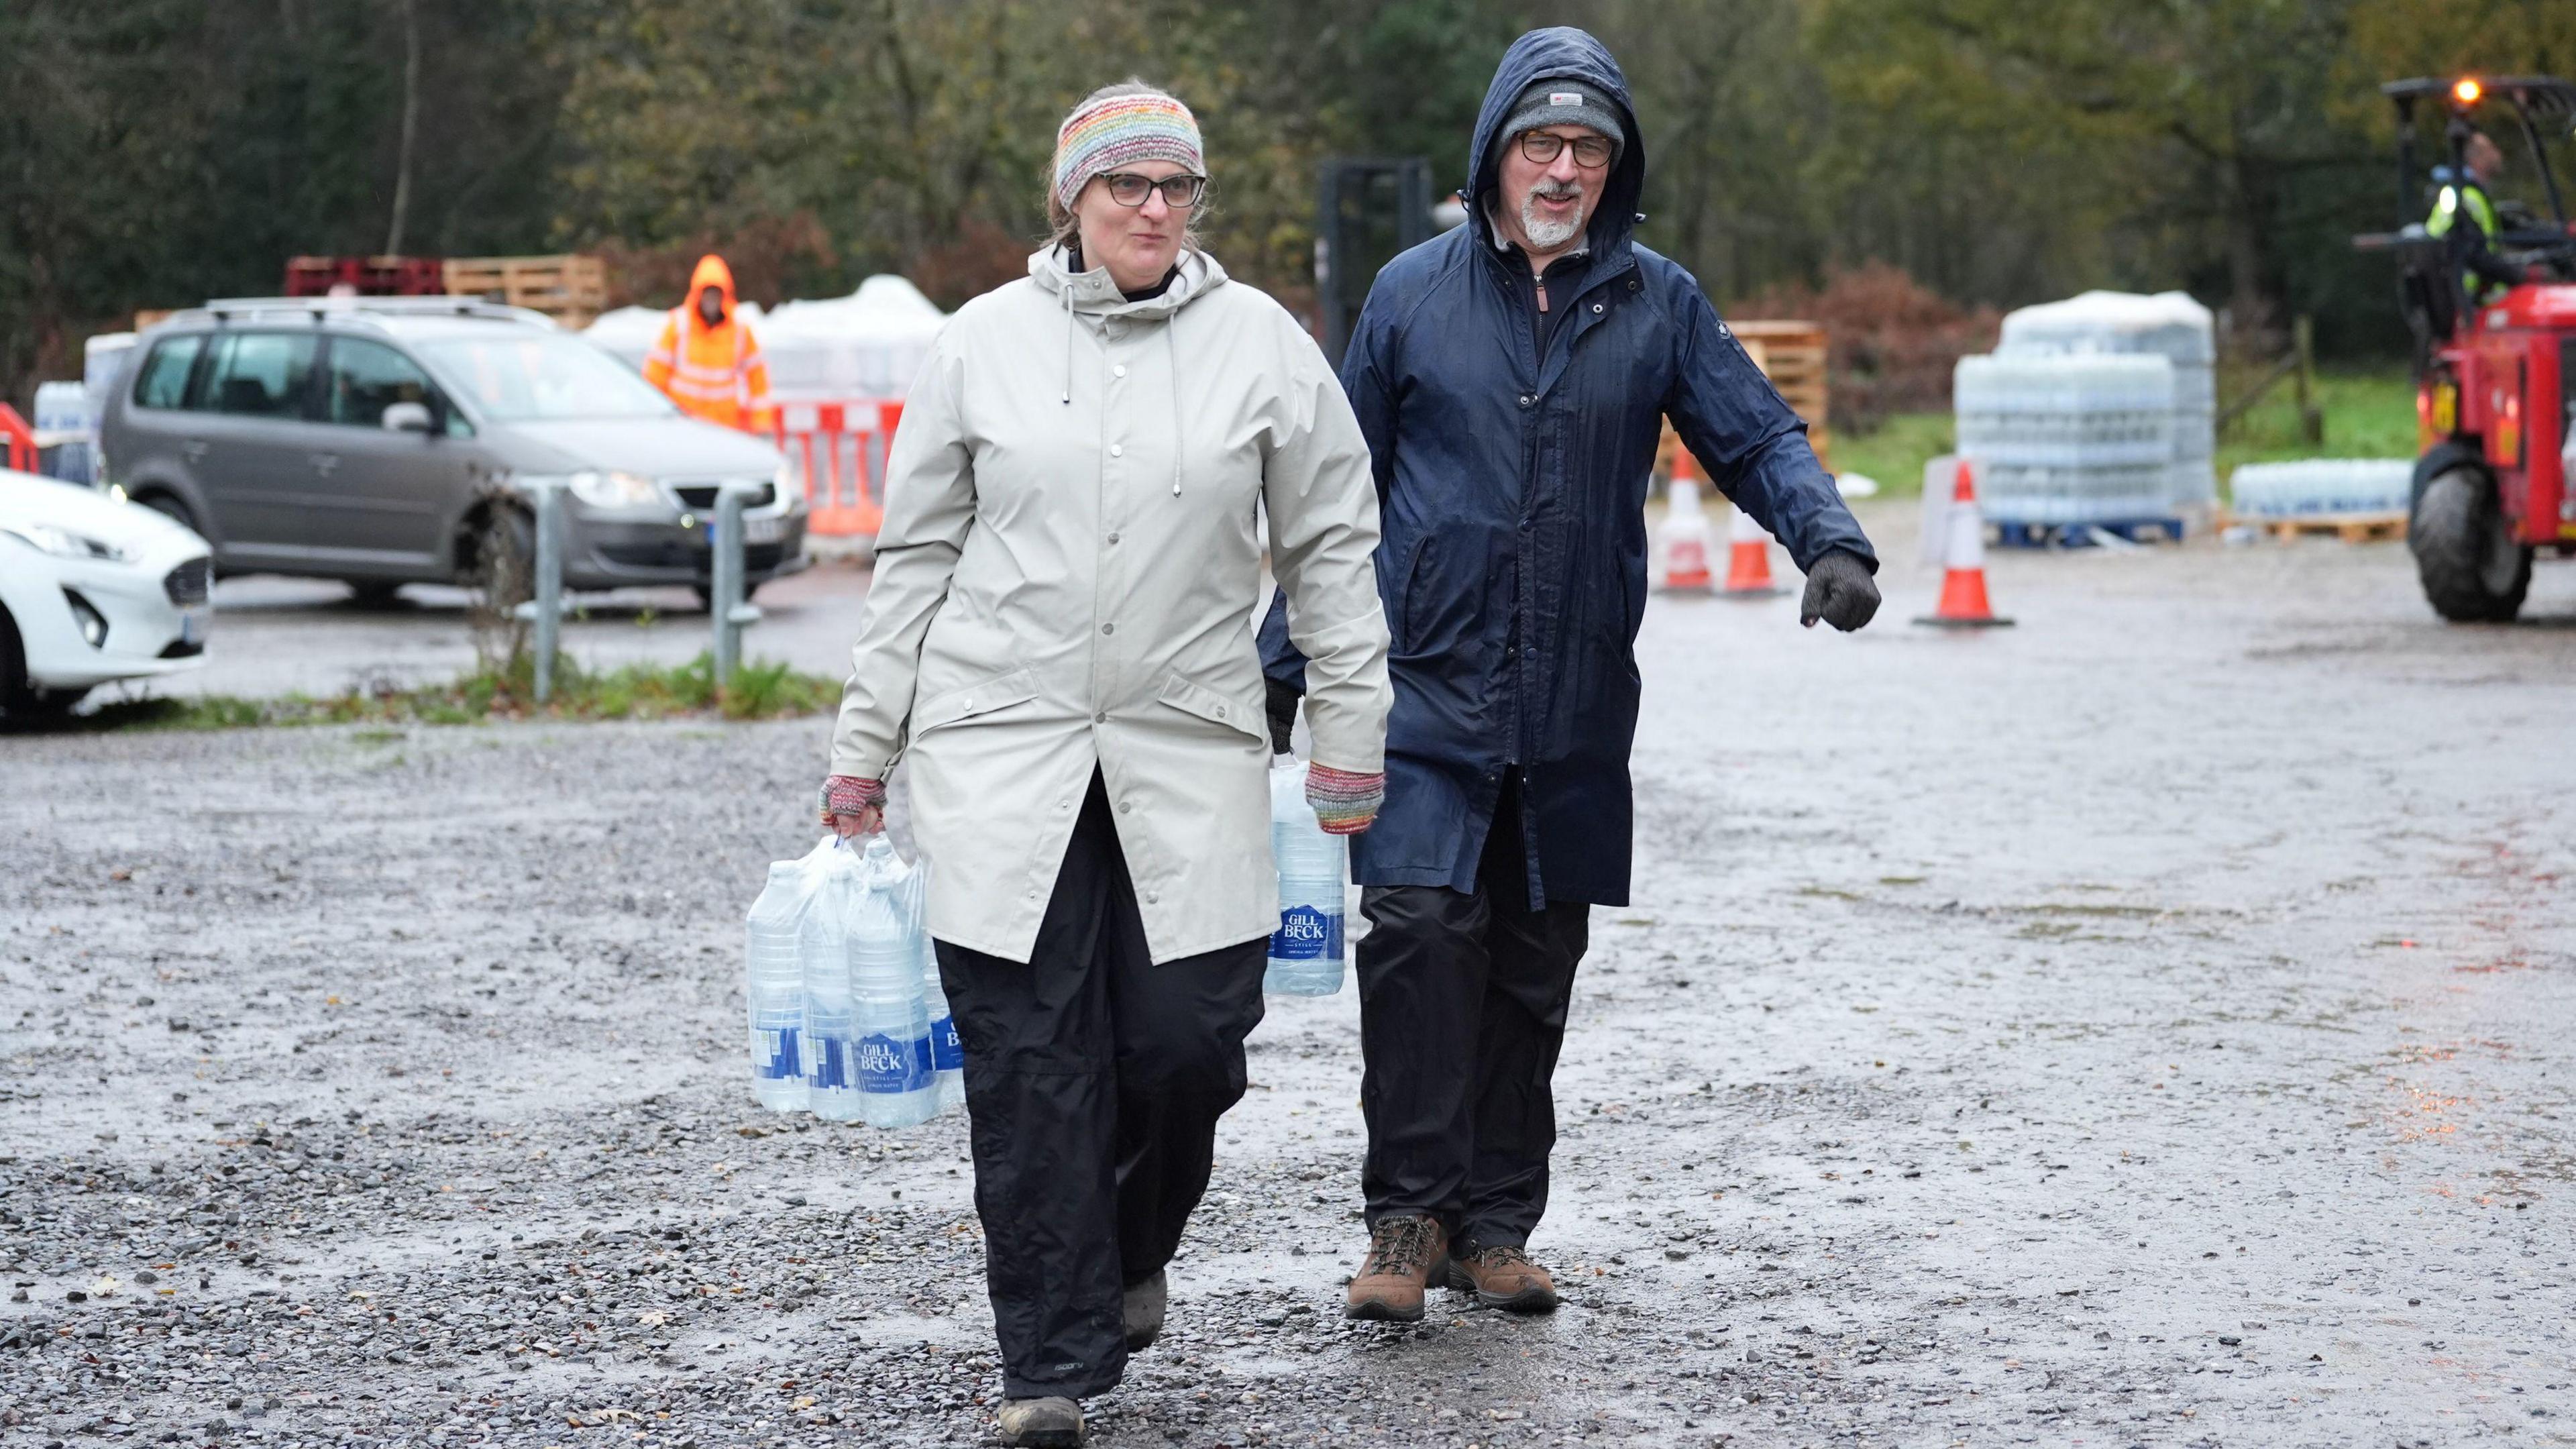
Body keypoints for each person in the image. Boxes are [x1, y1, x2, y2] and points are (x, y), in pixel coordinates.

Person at [1260, 27, 1882, 1324]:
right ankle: (1406, 1220)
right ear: (1496, 154)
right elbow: (1333, 496)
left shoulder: (1658, 301)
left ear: (1617, 166)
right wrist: (1281, 664)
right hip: (1423, 684)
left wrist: (1829, 538)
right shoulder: (1409, 296)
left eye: (1589, 149)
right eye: (1542, 144)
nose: (1564, 169)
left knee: (1537, 958)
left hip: (1575, 689)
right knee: (1423, 937)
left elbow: (1756, 434)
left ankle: (1496, 1225)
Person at [818, 81, 1391, 1449]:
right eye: (1124, 186)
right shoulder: (980, 347)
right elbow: (914, 564)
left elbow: (1331, 549)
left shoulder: (1263, 344)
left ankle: (1134, 1249)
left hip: (1186, 747)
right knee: (1031, 1064)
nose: (1152, 208)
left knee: (1188, 1044)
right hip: (998, 755)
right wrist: (863, 750)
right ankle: (1049, 1364)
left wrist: (1350, 739)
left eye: (1174, 187)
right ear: (1070, 201)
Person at [643, 253, 776, 432]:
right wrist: (654, 416)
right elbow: (655, 375)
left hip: (723, 426)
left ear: (724, 296)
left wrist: (762, 423)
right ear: (698, 294)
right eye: (707, 293)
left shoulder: (739, 330)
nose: (711, 300)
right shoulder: (680, 325)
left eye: (716, 294)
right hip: (684, 424)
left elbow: (758, 379)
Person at [2426, 129, 2528, 303]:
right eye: (2491, 149)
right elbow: (2473, 253)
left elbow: (2509, 229)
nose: (2498, 154)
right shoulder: (2464, 200)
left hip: (2475, 294)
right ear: (2477, 159)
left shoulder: (2473, 197)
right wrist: (2520, 276)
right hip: (2471, 298)